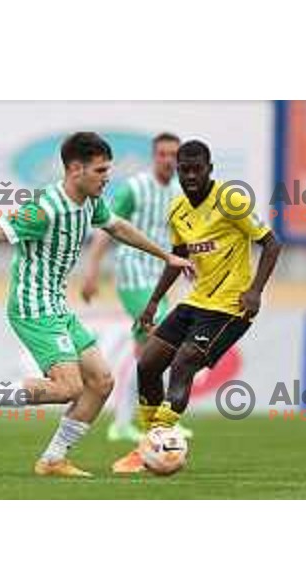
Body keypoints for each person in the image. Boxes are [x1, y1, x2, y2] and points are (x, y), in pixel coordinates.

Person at [0, 132, 194, 478]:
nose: (107, 177)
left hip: (57, 306)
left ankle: (53, 459)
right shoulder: (44, 209)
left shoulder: (91, 202)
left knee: (101, 381)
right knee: (69, 387)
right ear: (76, 169)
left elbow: (119, 228)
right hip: (32, 305)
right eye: (100, 170)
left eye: (108, 169)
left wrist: (166, 255)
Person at [112, 139, 282, 474]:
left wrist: (255, 290)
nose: (190, 175)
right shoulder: (177, 209)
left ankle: (149, 446)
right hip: (195, 302)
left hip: (230, 307)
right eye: (184, 169)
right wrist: (154, 302)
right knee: (147, 365)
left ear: (210, 169)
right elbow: (179, 259)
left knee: (183, 364)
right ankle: (152, 445)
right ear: (178, 170)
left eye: (196, 169)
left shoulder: (230, 200)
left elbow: (271, 243)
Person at [82, 132, 194, 442]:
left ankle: (126, 423)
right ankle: (155, 423)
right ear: (153, 156)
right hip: (132, 273)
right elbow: (108, 227)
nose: (169, 160)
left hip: (160, 276)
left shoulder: (179, 191)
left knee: (149, 352)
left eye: (174, 155)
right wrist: (91, 269)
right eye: (163, 154)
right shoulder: (135, 188)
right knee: (160, 336)